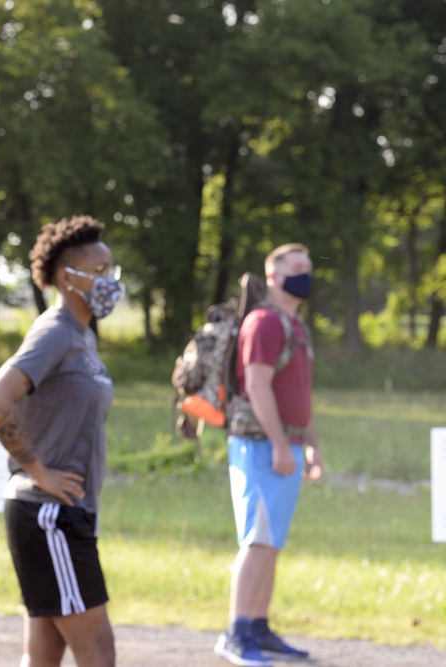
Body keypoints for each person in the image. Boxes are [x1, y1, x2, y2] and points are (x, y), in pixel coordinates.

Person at [0, 216, 122, 667]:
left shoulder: (81, 335)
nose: (110, 281)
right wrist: (39, 470)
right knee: (98, 649)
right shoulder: (56, 331)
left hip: (61, 514)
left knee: (43, 652)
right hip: (48, 514)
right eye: (99, 272)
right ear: (66, 277)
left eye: (112, 270)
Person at [214, 243, 324, 667]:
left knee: (270, 543)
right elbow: (257, 387)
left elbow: (300, 394)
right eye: (297, 268)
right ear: (274, 275)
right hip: (260, 446)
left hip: (286, 444)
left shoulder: (294, 325)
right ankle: (236, 633)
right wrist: (279, 443)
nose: (306, 274)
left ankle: (259, 628)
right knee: (256, 540)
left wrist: (309, 444)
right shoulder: (263, 322)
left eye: (308, 267)